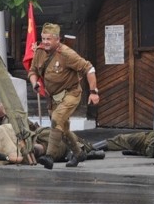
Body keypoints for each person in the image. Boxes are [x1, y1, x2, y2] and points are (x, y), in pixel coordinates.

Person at [27, 23, 100, 169]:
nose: (45, 42)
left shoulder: (67, 54)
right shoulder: (40, 52)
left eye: (49, 39)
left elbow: (89, 68)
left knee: (56, 119)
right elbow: (32, 71)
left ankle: (49, 156)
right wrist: (35, 83)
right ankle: (79, 153)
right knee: (63, 129)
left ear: (57, 39)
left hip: (71, 94)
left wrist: (93, 92)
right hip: (52, 98)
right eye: (43, 38)